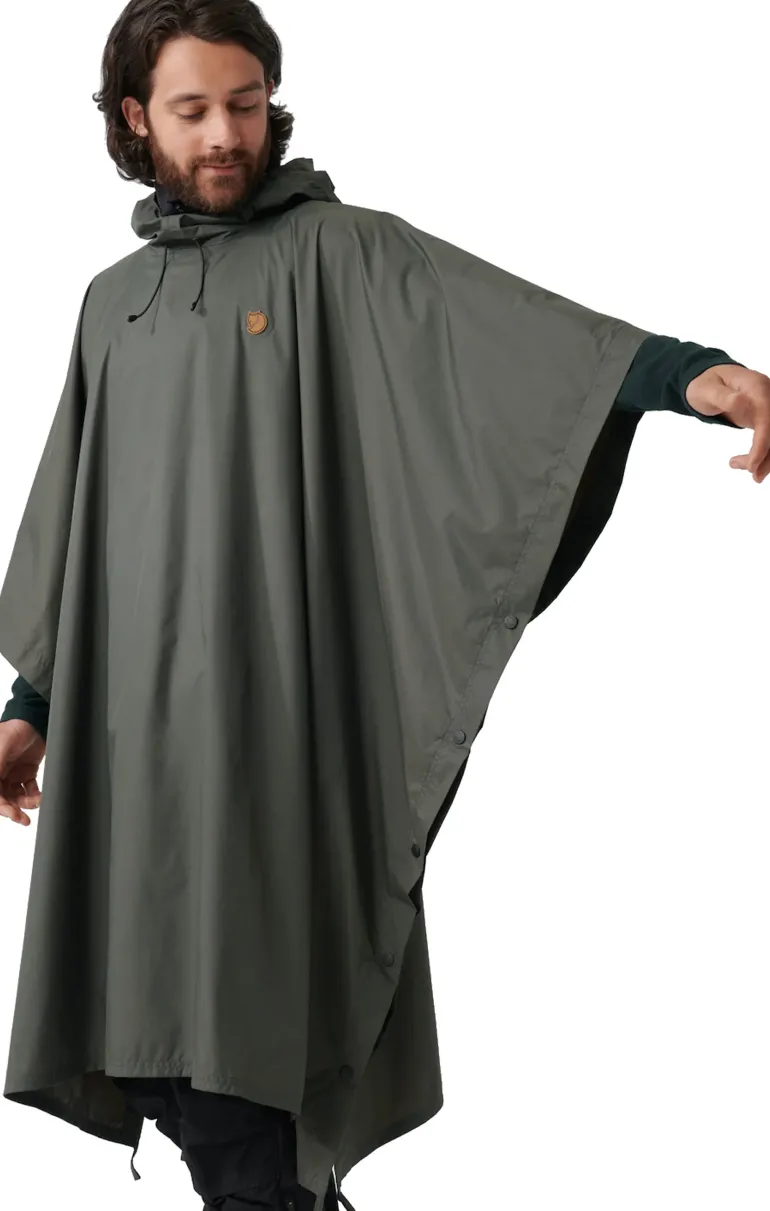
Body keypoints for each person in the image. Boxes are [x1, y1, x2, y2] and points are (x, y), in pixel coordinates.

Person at [0, 3, 767, 1210]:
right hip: (130, 751)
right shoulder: (112, 304)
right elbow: (83, 528)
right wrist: (33, 705)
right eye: (193, 110)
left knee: (250, 1039)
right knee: (149, 1041)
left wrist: (685, 375)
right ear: (136, 119)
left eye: (245, 104)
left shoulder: (341, 254)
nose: (224, 134)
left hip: (271, 736)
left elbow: (513, 343)